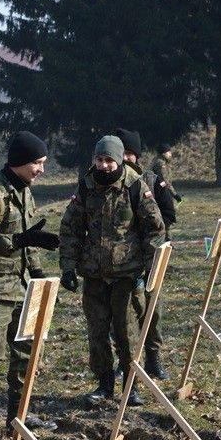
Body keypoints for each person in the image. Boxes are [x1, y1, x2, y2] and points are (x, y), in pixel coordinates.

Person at [0, 131, 60, 440]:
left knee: (26, 354)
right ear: (20, 161)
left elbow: (29, 239)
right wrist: (20, 240)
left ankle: (17, 415)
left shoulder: (25, 191)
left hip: (23, 288)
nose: (41, 169)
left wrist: (39, 275)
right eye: (37, 162)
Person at [59, 135, 164, 404]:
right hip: (93, 274)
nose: (104, 165)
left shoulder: (135, 187)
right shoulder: (85, 187)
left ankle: (132, 387)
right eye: (99, 159)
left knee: (126, 332)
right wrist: (68, 267)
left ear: (118, 160)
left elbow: (154, 229)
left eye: (109, 160)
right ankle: (104, 384)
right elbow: (70, 228)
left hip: (126, 275)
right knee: (97, 332)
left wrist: (151, 268)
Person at [116, 129, 176, 380]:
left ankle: (153, 359)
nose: (125, 159)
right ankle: (125, 363)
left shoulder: (152, 181)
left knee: (153, 310)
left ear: (137, 156)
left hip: (152, 259)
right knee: (122, 316)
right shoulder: (107, 182)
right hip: (120, 262)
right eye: (122, 154)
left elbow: (169, 214)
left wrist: (147, 230)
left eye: (130, 154)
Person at [152, 143, 182, 211]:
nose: (170, 154)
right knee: (171, 209)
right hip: (158, 191)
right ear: (163, 154)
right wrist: (175, 195)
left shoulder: (157, 160)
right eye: (168, 152)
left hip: (158, 190)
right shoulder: (160, 164)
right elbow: (164, 182)